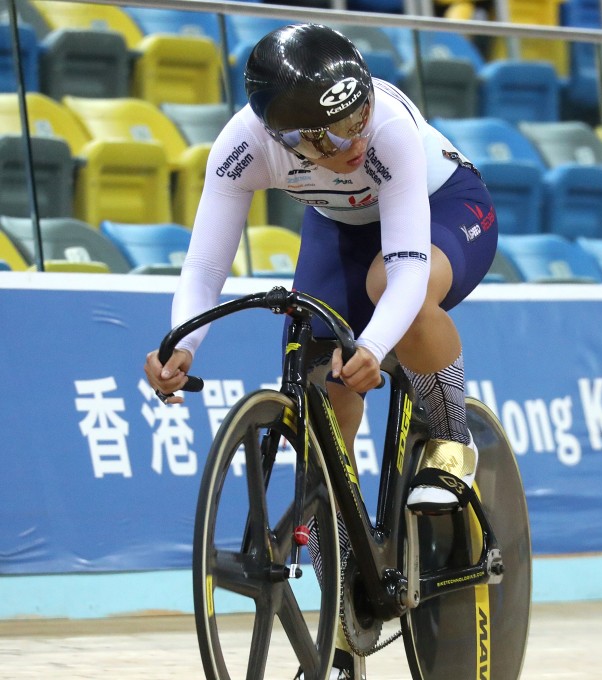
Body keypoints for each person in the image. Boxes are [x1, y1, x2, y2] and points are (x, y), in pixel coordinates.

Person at [143, 23, 498, 679]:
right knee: (320, 387)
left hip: (442, 211)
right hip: (338, 229)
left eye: (359, 114)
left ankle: (451, 444)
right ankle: (345, 581)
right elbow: (204, 266)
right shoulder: (243, 147)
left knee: (390, 291)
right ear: (285, 138)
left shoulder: (387, 129)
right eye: (336, 135)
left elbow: (409, 269)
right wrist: (182, 344)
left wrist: (376, 342)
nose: (357, 139)